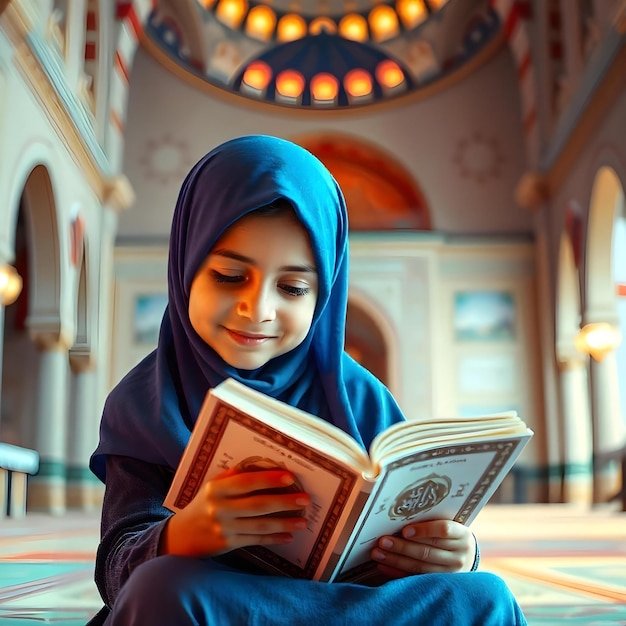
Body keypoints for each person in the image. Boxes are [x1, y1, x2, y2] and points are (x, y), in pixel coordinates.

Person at [89, 135, 527, 625]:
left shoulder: (360, 398)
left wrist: (456, 552)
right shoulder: (148, 402)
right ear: (186, 267)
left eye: (293, 287)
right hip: (227, 607)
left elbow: (419, 545)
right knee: (159, 588)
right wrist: (183, 535)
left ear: (324, 292)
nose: (258, 310)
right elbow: (116, 574)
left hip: (347, 609)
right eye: (230, 277)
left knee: (484, 595)